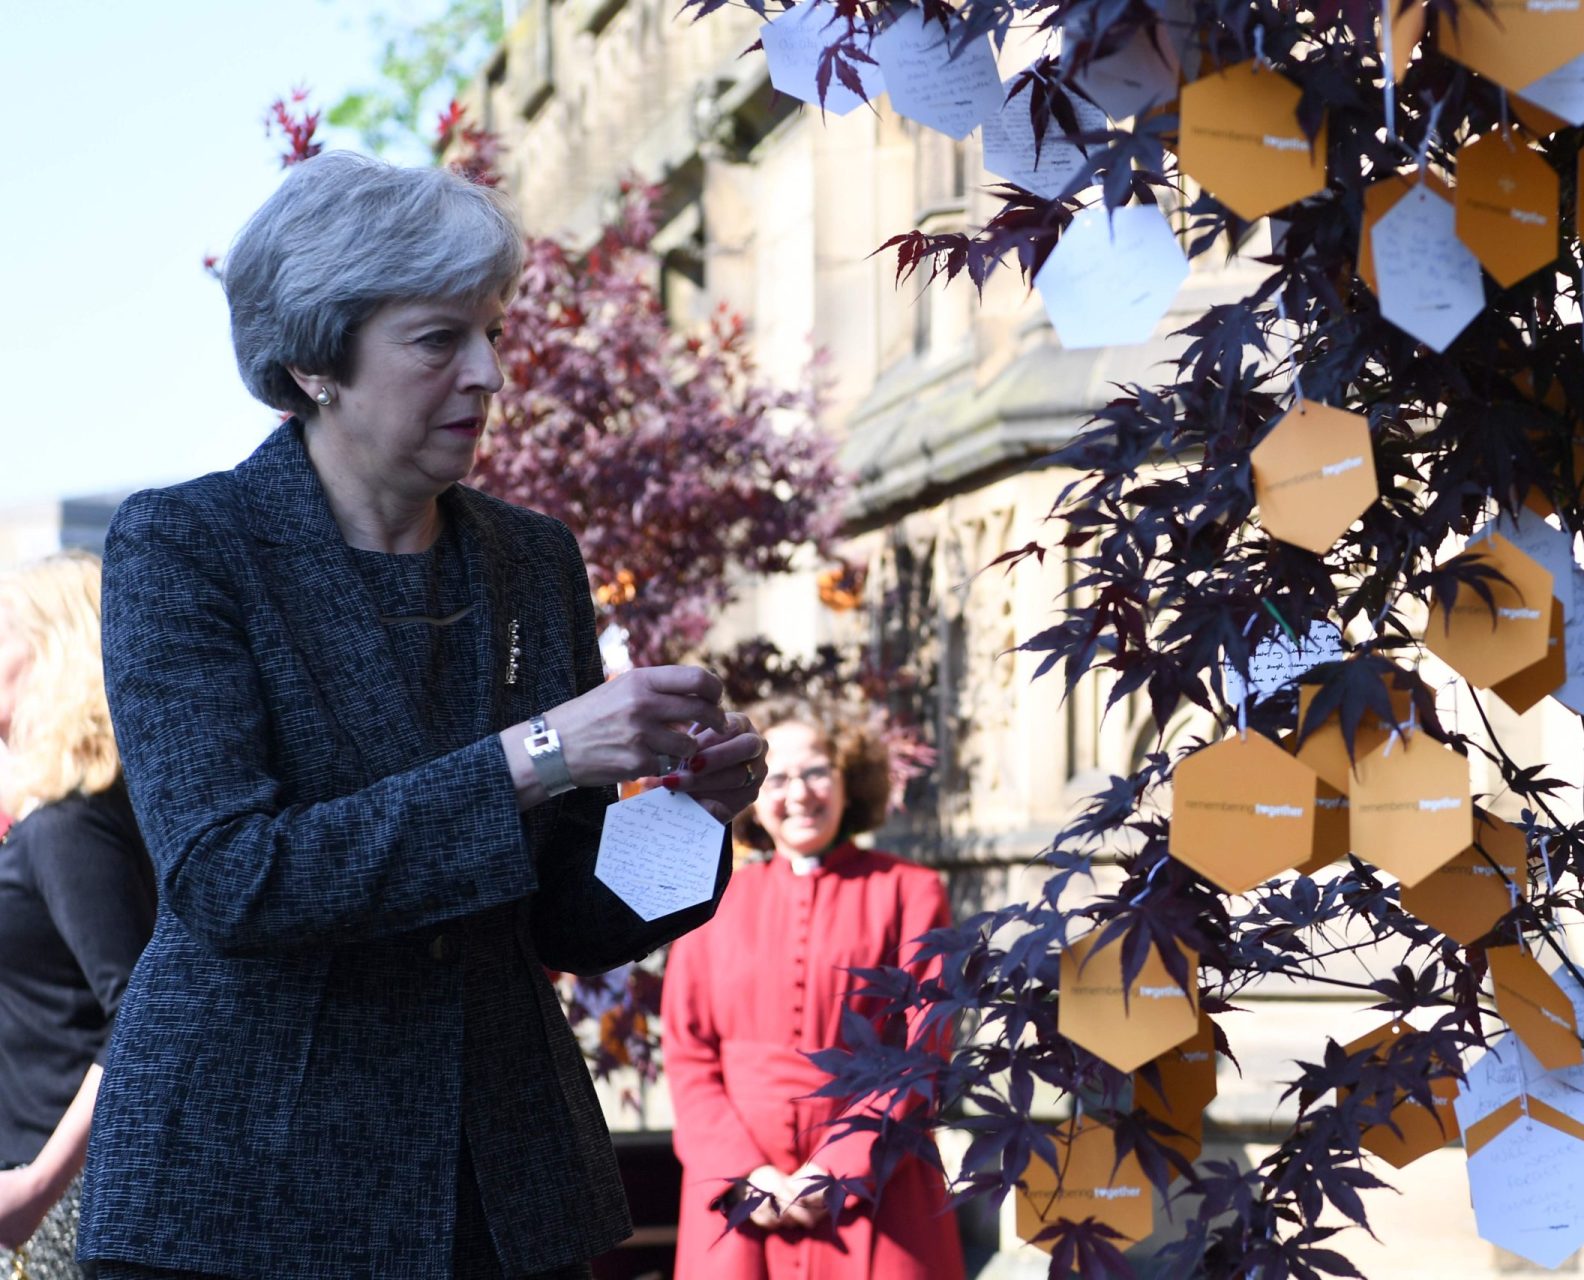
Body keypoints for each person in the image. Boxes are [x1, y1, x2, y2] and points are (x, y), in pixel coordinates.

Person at [76, 150, 768, 1280]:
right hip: (246, 1193)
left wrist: (689, 814)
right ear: (313, 362)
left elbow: (565, 920)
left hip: (502, 1186)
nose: (491, 371)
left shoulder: (533, 559)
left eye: (491, 330)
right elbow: (229, 875)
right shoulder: (186, 547)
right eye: (440, 338)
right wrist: (540, 754)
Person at [661, 699, 964, 1280]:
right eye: (777, 776)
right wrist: (741, 1172)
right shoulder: (708, 903)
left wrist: (842, 1165)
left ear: (850, 781)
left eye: (817, 771)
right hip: (742, 1200)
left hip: (877, 1187)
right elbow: (689, 1056)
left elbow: (924, 1050)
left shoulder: (912, 892)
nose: (798, 793)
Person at [0, 553, 156, 1280]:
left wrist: (38, 1186)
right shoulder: (85, 814)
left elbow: (143, 1018)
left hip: (66, 1200)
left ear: (49, 649)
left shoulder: (68, 827)